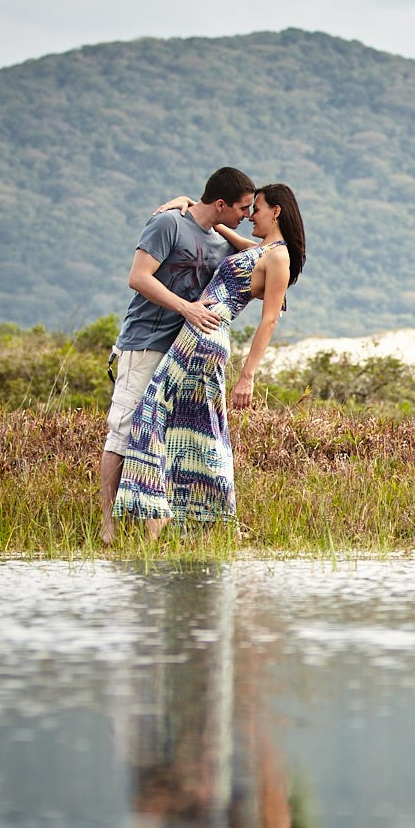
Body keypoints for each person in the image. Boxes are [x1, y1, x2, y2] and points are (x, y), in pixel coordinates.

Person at [110, 182, 306, 541]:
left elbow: (270, 320)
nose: (250, 217)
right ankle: (195, 519)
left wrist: (247, 377)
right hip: (197, 331)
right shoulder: (266, 249)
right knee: (193, 426)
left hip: (205, 334)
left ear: (276, 211)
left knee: (153, 413)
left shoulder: (279, 258)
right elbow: (227, 230)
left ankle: (161, 514)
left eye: (256, 209)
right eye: (246, 209)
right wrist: (189, 204)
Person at [99, 166, 256, 545]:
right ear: (221, 203)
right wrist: (186, 307)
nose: (248, 216)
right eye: (242, 208)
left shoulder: (223, 238)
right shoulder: (168, 224)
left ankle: (154, 527)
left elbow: (276, 257)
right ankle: (108, 527)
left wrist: (220, 227)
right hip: (145, 343)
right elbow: (138, 277)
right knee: (124, 431)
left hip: (184, 353)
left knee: (166, 437)